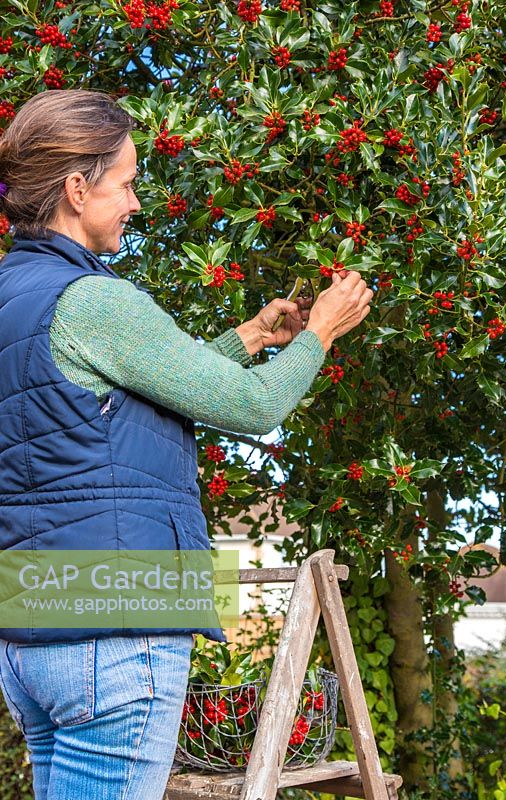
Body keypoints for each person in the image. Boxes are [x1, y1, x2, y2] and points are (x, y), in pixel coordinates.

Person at [0, 89, 373, 799]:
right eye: (128, 181)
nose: (137, 202)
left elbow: (115, 396)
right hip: (116, 626)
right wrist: (322, 330)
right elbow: (255, 405)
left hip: (29, 623)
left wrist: (253, 337)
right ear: (78, 188)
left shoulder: (15, 294)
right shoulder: (95, 301)